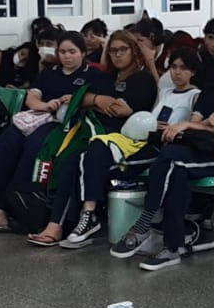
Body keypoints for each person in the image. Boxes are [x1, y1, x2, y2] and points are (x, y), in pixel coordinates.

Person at [111, 38, 214, 269]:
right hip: (198, 150)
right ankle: (174, 246)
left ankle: (144, 224)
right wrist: (204, 124)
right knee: (175, 169)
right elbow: (195, 122)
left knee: (170, 160)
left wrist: (197, 125)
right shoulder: (210, 89)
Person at [26, 31, 160, 246]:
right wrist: (98, 99)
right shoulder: (106, 77)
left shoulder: (142, 79)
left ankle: (89, 214)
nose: (117, 55)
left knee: (92, 151)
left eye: (123, 50)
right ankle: (56, 225)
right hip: (99, 134)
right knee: (70, 159)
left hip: (128, 140)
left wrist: (100, 102)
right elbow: (83, 98)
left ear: (133, 51)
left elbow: (123, 110)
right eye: (113, 50)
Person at [0, 32, 102, 228]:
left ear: (83, 53)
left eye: (72, 52)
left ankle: (10, 207)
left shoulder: (92, 75)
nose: (67, 56)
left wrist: (76, 100)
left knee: (34, 148)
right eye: (63, 52)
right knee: (4, 146)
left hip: (65, 124)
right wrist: (45, 105)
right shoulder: (49, 73)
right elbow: (32, 98)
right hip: (39, 116)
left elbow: (94, 102)